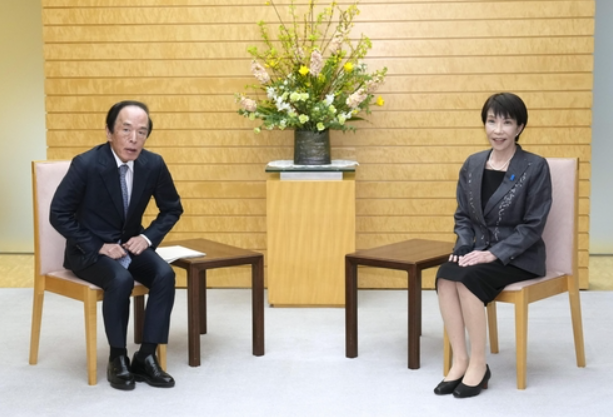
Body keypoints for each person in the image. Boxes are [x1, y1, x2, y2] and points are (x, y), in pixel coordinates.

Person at [50, 100, 183, 390]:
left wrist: (146, 238)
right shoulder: (86, 164)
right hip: (89, 251)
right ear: (109, 132)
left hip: (130, 244)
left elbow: (172, 208)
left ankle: (145, 357)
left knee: (165, 275)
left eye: (141, 132)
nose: (134, 138)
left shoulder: (153, 164)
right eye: (126, 130)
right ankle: (117, 358)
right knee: (120, 279)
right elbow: (58, 214)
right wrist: (99, 245)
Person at [433, 93, 552, 398]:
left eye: (507, 122)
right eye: (491, 121)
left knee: (467, 279)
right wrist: (463, 247)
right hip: (479, 250)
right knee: (445, 275)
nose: (498, 130)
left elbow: (533, 225)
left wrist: (493, 254)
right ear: (484, 124)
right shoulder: (473, 163)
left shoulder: (535, 166)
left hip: (520, 256)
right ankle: (460, 361)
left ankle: (479, 364)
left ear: (520, 127)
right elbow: (463, 215)